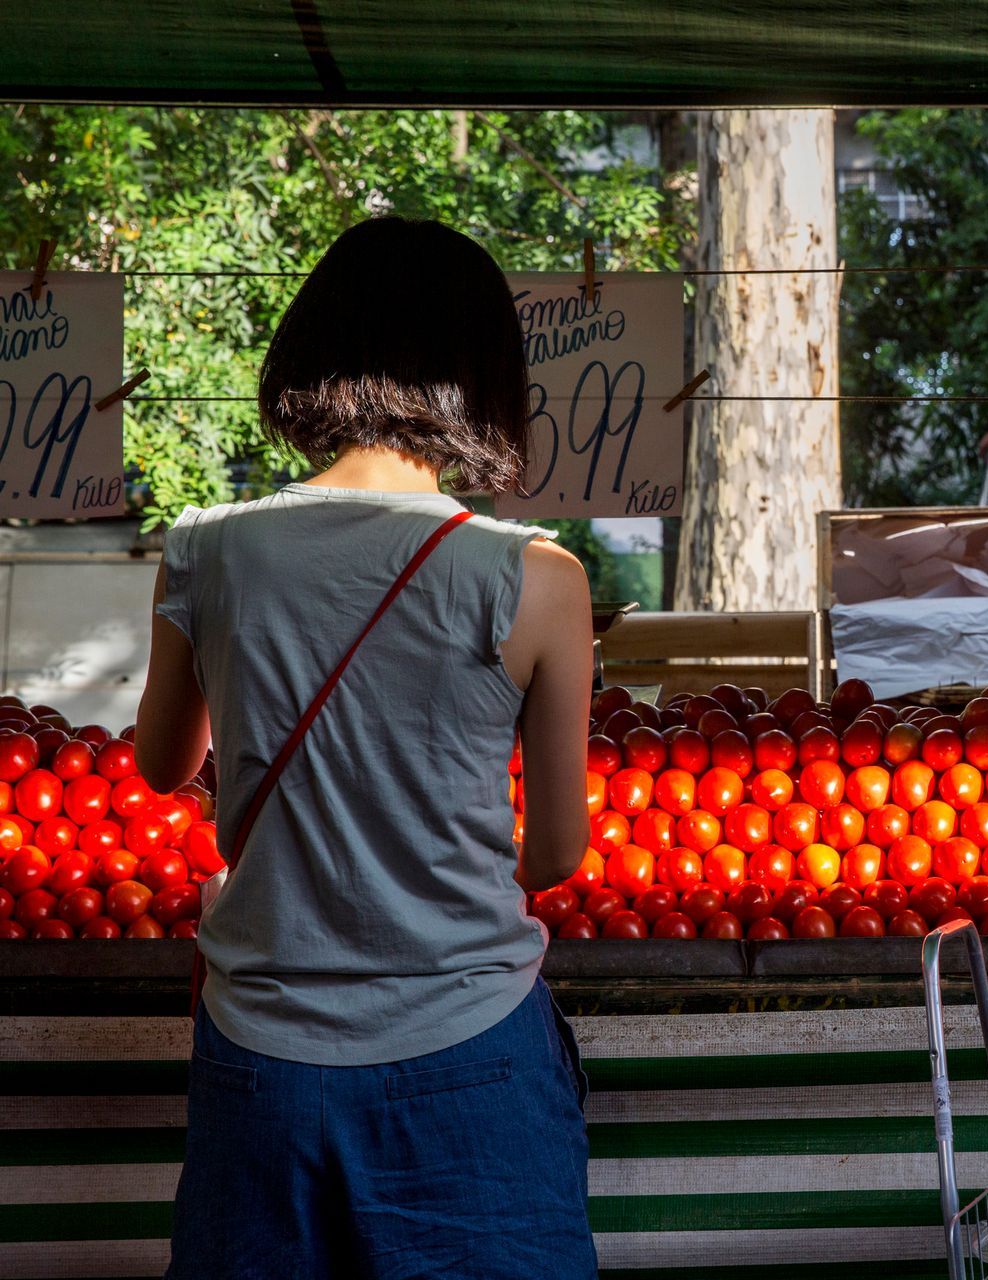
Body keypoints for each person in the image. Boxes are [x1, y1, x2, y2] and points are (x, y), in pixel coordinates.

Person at [138, 216, 598, 1278]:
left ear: (310, 352)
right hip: (471, 1044)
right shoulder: (536, 574)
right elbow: (560, 849)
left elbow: (164, 764)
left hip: (263, 1052)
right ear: (481, 376)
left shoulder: (208, 545)